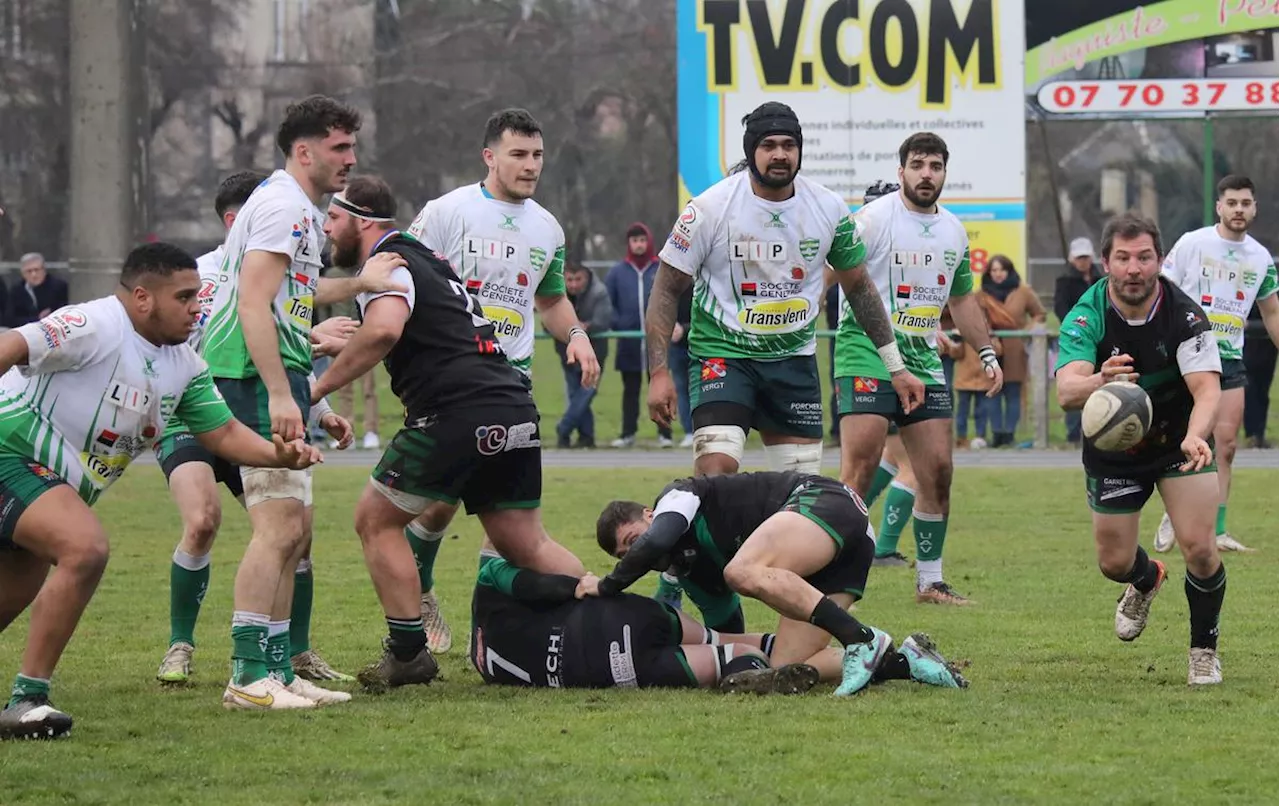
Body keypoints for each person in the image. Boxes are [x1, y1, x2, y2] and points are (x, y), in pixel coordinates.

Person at [0, 242, 323, 739]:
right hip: (9, 454)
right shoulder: (96, 324)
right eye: (186, 296)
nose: (198, 306)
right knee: (84, 548)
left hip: (48, 486)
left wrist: (280, 455)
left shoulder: (185, 364)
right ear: (143, 298)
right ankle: (28, 700)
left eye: (199, 295)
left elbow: (222, 434)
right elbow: (11, 346)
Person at [312, 174, 586, 694]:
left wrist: (315, 390)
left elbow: (387, 328)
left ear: (362, 219)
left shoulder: (387, 264)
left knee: (375, 519)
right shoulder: (428, 258)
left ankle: (409, 653)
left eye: (333, 218)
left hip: (458, 410)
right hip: (512, 403)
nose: (327, 229)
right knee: (526, 543)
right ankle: (603, 611)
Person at [200, 95, 410, 711]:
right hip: (249, 375)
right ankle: (246, 676)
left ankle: (278, 669)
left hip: (281, 374)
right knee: (277, 527)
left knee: (296, 531)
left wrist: (359, 284)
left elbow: (299, 288)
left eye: (352, 146)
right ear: (304, 150)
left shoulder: (298, 209)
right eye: (339, 147)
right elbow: (252, 301)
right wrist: (276, 392)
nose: (350, 159)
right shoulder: (284, 207)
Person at [404, 108, 600, 654]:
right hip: (450, 377)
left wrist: (576, 335)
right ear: (489, 156)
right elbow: (403, 276)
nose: (530, 165)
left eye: (537, 155)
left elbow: (551, 299)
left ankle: (490, 628)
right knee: (441, 501)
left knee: (506, 516)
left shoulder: (548, 226)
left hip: (511, 384)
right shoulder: (447, 212)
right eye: (518, 154)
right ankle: (419, 590)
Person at [153, 170, 360, 687]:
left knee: (295, 533)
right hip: (196, 414)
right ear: (236, 219)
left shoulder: (279, 270)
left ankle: (292, 656)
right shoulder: (197, 274)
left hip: (253, 405)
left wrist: (322, 408)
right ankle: (183, 644)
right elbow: (232, 331)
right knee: (203, 519)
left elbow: (283, 337)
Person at [646, 102, 922, 478]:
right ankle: (706, 537)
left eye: (789, 145)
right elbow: (665, 288)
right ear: (751, 151)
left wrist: (896, 366)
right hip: (723, 356)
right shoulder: (709, 208)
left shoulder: (828, 208)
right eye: (769, 145)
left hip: (792, 360)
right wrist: (659, 373)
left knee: (797, 488)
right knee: (717, 474)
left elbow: (860, 289)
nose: (780, 154)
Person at [589, 471, 969, 696]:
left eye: (632, 540)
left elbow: (656, 540)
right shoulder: (689, 574)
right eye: (625, 557)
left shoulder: (676, 498)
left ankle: (861, 639)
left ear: (649, 514)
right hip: (843, 549)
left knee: (739, 572)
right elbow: (726, 637)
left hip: (827, 502)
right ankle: (906, 662)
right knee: (785, 665)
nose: (635, 554)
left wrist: (606, 587)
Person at [1056, 211, 1226, 687]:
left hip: (1179, 441)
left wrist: (1197, 434)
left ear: (1160, 260)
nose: (1135, 268)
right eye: (1124, 258)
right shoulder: (1087, 314)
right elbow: (1067, 393)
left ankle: (1203, 651)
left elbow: (1207, 390)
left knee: (1200, 547)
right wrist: (1099, 380)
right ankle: (1147, 578)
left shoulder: (1185, 314)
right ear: (1106, 262)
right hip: (1114, 449)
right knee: (1113, 563)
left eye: (1145, 258)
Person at [833, 133, 1002, 606]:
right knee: (861, 468)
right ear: (901, 170)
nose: (926, 173)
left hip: (924, 361)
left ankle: (930, 582)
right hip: (865, 352)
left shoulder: (953, 230)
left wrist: (985, 352)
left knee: (938, 470)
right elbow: (831, 274)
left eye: (935, 165)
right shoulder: (872, 219)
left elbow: (963, 298)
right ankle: (836, 573)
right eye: (917, 164)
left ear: (945, 172)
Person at [469, 552, 818, 695]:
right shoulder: (491, 577)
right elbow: (540, 585)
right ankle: (855, 658)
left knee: (730, 654)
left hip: (607, 669)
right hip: (618, 619)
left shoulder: (484, 664)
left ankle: (750, 668)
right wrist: (576, 584)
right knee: (717, 637)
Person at [1154, 175, 1279, 555]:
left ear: (1254, 208)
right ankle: (1172, 512)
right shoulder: (1193, 243)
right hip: (1188, 353)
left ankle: (1217, 531)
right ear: (1219, 207)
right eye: (1232, 202)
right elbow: (1163, 289)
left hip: (1229, 357)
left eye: (1246, 203)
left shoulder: (1261, 258)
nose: (1239, 209)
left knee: (1225, 446)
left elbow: (1272, 311)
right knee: (1185, 438)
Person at [606, 222, 671, 448]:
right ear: (629, 244)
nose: (639, 245)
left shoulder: (660, 269)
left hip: (657, 345)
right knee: (630, 391)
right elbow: (608, 304)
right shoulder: (617, 273)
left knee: (660, 390)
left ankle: (665, 434)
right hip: (630, 344)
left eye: (642, 240)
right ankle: (628, 434)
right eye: (635, 241)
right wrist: (619, 323)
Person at [981, 254, 1046, 447]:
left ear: (1009, 271)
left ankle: (1009, 433)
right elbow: (975, 318)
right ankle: (997, 434)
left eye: (1002, 270)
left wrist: (1027, 331)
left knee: (1012, 392)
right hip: (990, 347)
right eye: (994, 270)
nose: (998, 274)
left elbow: (1040, 313)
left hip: (1015, 348)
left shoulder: (1023, 291)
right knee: (992, 391)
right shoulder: (981, 294)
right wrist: (987, 335)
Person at [554, 264, 611, 449]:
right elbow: (548, 318)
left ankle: (563, 428)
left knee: (585, 394)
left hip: (594, 353)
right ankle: (587, 437)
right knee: (574, 395)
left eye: (578, 279)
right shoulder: (556, 290)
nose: (573, 284)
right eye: (569, 279)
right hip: (566, 353)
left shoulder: (599, 292)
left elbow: (603, 320)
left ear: (586, 277)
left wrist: (580, 327)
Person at [1055, 237, 1105, 447]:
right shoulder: (1065, 281)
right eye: (1079, 258)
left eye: (1086, 257)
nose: (1083, 261)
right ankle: (1074, 434)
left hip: (1100, 338)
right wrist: (1077, 328)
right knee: (1075, 381)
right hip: (1077, 336)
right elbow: (1060, 307)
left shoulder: (1101, 279)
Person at [1242, 300, 1277, 448]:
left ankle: (1259, 434)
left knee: (1263, 391)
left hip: (1269, 346)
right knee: (1250, 390)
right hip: (1248, 345)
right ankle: (1252, 434)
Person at [9, 253, 70, 327]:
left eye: (36, 270)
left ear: (44, 270)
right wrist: (37, 319)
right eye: (29, 271)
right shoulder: (16, 290)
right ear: (23, 273)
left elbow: (63, 313)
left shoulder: (58, 286)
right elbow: (10, 319)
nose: (33, 274)